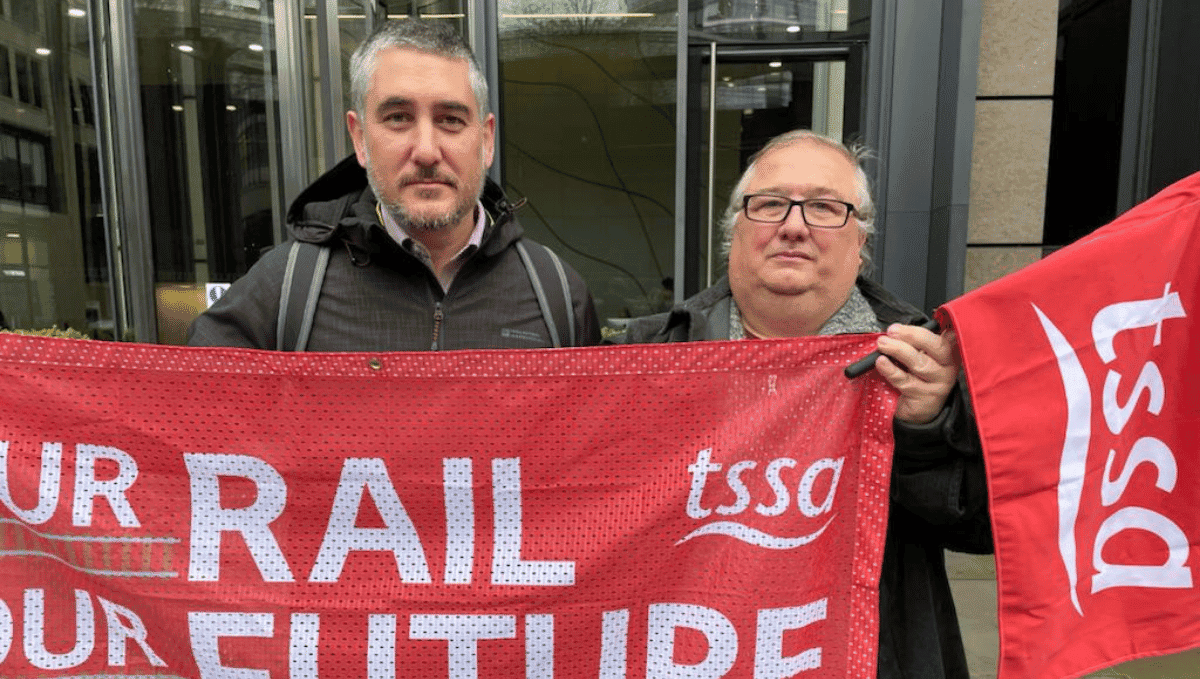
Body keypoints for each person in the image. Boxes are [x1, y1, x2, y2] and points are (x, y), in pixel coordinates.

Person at [612, 130, 992, 679]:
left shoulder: (922, 362)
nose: (794, 226)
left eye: (824, 207)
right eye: (769, 205)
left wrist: (927, 429)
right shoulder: (648, 359)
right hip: (690, 655)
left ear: (860, 242)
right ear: (734, 233)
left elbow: (982, 529)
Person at [188, 20, 599, 350]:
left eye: (450, 120)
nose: (425, 151)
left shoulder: (556, 295)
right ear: (360, 138)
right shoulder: (283, 292)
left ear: (486, 140)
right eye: (398, 118)